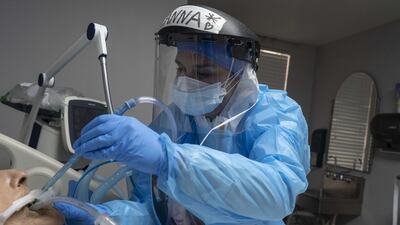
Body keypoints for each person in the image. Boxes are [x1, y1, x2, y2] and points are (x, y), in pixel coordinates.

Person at [55, 4, 310, 225]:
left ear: (240, 74)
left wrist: (171, 160)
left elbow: (278, 192)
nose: (187, 82)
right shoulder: (175, 120)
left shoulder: (275, 114)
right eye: (181, 70)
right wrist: (103, 217)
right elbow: (152, 212)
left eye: (204, 73)